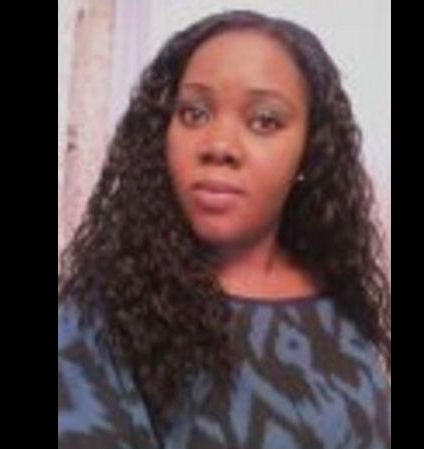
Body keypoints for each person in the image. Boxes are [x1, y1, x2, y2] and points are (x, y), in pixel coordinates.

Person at [58, 9, 391, 449]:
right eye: (194, 113)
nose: (219, 146)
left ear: (309, 152)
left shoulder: (343, 304)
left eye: (265, 121)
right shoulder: (102, 315)